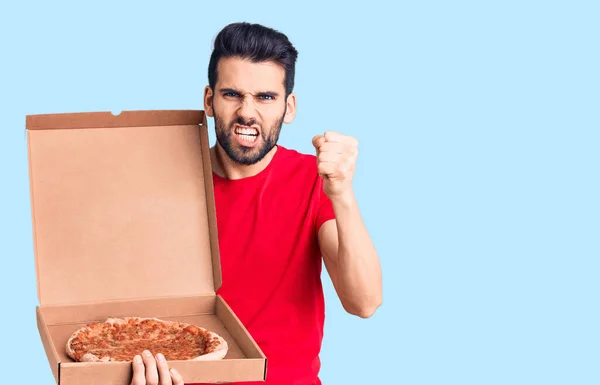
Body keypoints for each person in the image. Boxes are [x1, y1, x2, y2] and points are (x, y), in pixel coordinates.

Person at [130, 22, 382, 385]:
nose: (247, 113)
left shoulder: (314, 182)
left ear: (288, 107)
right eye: (232, 94)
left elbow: (364, 302)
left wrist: (342, 192)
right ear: (209, 101)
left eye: (265, 97)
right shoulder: (162, 186)